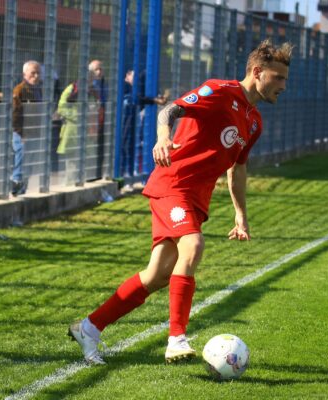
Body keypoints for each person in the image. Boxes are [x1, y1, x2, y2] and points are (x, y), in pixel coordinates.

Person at [69, 39, 292, 365]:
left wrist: (240, 215)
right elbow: (169, 110)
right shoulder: (219, 90)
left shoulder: (254, 121)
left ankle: (88, 328)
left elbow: (238, 170)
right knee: (193, 247)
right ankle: (176, 338)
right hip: (172, 185)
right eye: (279, 78)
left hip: (195, 199)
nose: (283, 86)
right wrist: (163, 138)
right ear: (257, 72)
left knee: (157, 275)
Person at [56, 62, 103, 185]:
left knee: (86, 167)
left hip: (88, 135)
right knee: (72, 167)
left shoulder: (93, 92)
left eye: (91, 77)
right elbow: (61, 107)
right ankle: (69, 188)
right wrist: (79, 117)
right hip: (72, 133)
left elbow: (96, 109)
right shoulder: (72, 89)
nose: (89, 80)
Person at [120, 69, 169, 187]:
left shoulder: (140, 87)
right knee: (126, 145)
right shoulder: (125, 87)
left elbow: (141, 97)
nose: (138, 80)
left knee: (138, 145)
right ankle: (125, 173)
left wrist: (159, 97)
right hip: (127, 121)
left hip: (136, 121)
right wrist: (154, 100)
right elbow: (137, 98)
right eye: (133, 75)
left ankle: (137, 173)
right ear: (127, 76)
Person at [11, 60, 42, 196]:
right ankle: (15, 184)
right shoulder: (20, 90)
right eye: (32, 73)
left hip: (34, 132)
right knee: (21, 157)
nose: (36, 76)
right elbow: (15, 114)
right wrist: (21, 133)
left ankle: (23, 189)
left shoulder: (38, 90)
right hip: (22, 133)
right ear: (24, 74)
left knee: (30, 162)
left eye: (38, 73)